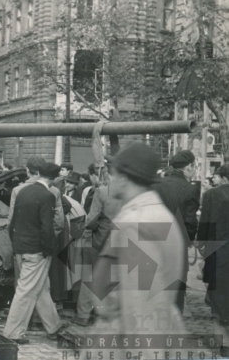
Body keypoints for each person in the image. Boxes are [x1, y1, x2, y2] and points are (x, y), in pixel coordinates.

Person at [85, 143, 187, 359]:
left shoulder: (134, 223)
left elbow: (141, 306)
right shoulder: (160, 214)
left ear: (124, 177)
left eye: (113, 174)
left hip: (125, 340)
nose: (109, 179)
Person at [4, 162, 67, 344]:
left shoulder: (22, 191)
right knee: (26, 290)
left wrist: (16, 245)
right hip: (36, 250)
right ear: (54, 179)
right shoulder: (47, 195)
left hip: (20, 248)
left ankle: (53, 325)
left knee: (40, 287)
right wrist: (47, 250)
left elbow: (12, 222)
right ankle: (13, 333)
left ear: (39, 174)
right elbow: (47, 228)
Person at [73, 165, 122, 326]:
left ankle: (83, 314)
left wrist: (88, 236)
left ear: (110, 174)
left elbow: (92, 220)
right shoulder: (130, 194)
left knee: (90, 277)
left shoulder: (102, 191)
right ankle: (108, 315)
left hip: (100, 239)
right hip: (121, 240)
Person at [152, 150, 200, 313]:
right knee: (175, 296)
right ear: (188, 167)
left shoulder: (156, 185)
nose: (195, 171)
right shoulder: (190, 189)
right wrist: (189, 241)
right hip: (177, 249)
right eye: (195, 167)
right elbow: (190, 223)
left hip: (154, 247)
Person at [197, 164, 229, 357]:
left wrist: (201, 245)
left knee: (219, 296)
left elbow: (207, 225)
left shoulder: (212, 195)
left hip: (219, 255)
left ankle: (222, 341)